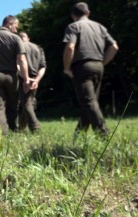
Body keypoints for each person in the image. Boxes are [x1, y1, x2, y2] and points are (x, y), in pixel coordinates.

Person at [63, 2, 118, 137]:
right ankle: (79, 135)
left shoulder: (74, 26)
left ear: (73, 15)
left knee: (88, 101)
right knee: (89, 102)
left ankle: (104, 135)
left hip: (82, 67)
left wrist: (66, 68)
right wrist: (103, 63)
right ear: (88, 13)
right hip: (98, 65)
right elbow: (114, 47)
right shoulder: (100, 27)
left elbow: (70, 47)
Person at [18, 32, 46, 133]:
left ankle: (35, 128)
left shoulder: (18, 48)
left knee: (26, 103)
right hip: (35, 78)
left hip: (23, 78)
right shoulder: (38, 48)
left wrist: (26, 78)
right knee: (29, 102)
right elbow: (43, 66)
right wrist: (36, 80)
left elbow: (17, 65)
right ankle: (21, 128)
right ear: (28, 38)